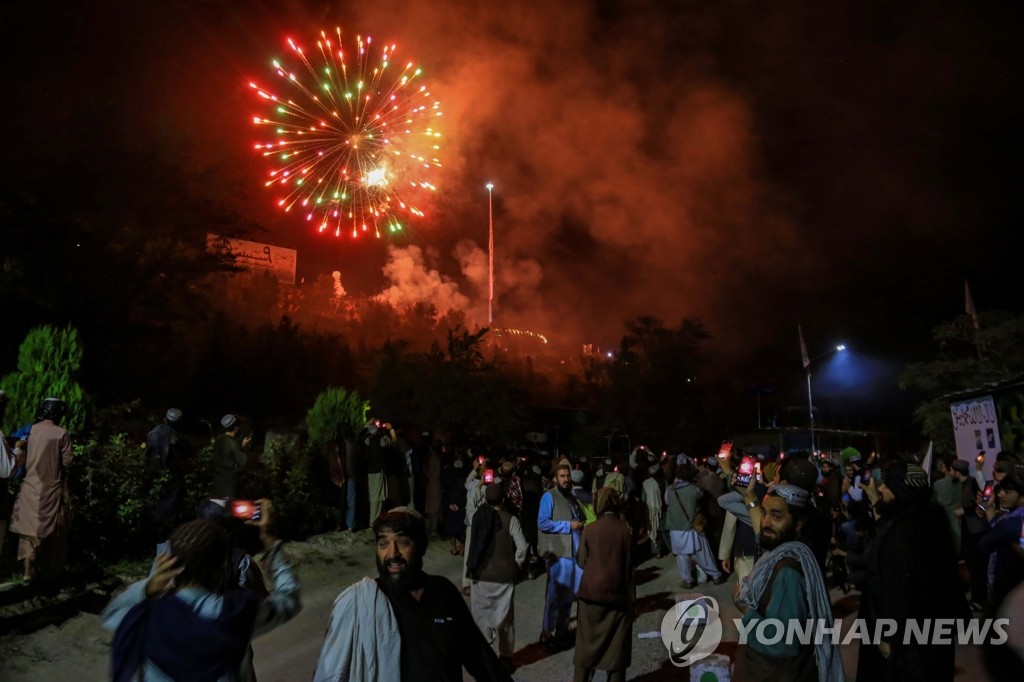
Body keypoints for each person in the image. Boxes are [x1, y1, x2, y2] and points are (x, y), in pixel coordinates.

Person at [103, 500, 301, 682]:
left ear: (169, 563)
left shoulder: (145, 616)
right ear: (220, 567)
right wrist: (271, 541)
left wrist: (147, 588)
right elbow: (288, 598)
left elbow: (112, 613)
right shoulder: (234, 614)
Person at [313, 507, 512, 681]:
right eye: (383, 543)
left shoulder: (443, 592)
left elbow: (482, 661)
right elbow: (329, 674)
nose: (392, 554)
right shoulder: (361, 603)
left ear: (422, 546)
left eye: (402, 541)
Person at [856, 461, 969, 682]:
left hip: (908, 642)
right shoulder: (930, 520)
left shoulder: (903, 532)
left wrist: (887, 636)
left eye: (887, 486)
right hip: (931, 634)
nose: (881, 489)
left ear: (901, 491)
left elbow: (897, 587)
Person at [733, 483, 845, 682]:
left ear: (798, 523)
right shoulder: (784, 553)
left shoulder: (787, 571)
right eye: (764, 513)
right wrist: (749, 497)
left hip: (775, 673)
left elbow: (781, 642)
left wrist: (746, 611)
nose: (765, 522)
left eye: (776, 516)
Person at [9, 398, 74, 586]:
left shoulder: (28, 431)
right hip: (51, 491)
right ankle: (50, 573)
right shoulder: (62, 434)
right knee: (52, 533)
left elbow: (18, 447)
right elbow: (68, 462)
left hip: (29, 488)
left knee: (28, 532)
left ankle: (27, 573)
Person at [574, 487, 634, 682]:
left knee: (585, 647)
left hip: (590, 595)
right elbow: (629, 565)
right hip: (617, 596)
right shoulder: (625, 530)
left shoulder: (590, 529)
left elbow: (582, 561)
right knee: (617, 651)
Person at [466, 484, 527, 670]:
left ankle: (486, 657)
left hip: (481, 576)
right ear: (503, 499)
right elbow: (522, 547)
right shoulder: (511, 520)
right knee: (506, 621)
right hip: (504, 578)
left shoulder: (477, 517)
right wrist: (515, 565)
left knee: (482, 618)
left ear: (485, 499)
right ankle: (506, 658)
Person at [537, 459, 584, 649]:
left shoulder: (571, 497)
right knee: (555, 596)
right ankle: (546, 634)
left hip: (573, 553)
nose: (566, 479)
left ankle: (561, 630)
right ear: (555, 478)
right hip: (560, 553)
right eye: (562, 476)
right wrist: (568, 526)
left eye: (568, 476)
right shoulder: (549, 497)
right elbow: (543, 523)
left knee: (569, 595)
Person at [663, 459, 725, 588]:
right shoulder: (695, 489)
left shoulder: (669, 490)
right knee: (703, 553)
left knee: (682, 556)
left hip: (677, 528)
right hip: (693, 526)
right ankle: (716, 575)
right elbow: (700, 498)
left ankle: (687, 580)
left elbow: (668, 503)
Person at [146, 407, 185, 534]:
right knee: (169, 516)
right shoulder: (178, 438)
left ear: (164, 419)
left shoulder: (153, 432)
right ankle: (164, 544)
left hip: (152, 475)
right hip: (171, 479)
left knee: (153, 509)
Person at [212, 414, 250, 498]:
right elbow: (243, 462)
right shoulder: (232, 443)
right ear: (236, 428)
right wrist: (244, 447)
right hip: (229, 484)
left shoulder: (218, 439)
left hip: (217, 483)